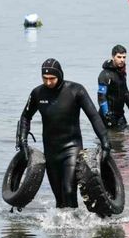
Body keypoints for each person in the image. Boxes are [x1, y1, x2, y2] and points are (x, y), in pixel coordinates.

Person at [17, 58, 111, 208]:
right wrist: (22, 140)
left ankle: (74, 227)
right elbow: (25, 117)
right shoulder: (37, 93)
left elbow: (94, 117)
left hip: (71, 148)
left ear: (60, 75)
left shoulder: (76, 90)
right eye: (45, 78)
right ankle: (62, 229)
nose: (48, 82)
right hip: (51, 151)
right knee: (59, 198)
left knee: (68, 190)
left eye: (52, 78)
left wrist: (105, 143)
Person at [97, 44, 129, 130]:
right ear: (113, 57)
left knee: (123, 140)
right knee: (112, 141)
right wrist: (107, 115)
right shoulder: (105, 74)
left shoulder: (121, 73)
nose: (122, 60)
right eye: (119, 57)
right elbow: (101, 97)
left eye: (124, 57)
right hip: (106, 116)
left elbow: (126, 93)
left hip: (120, 115)